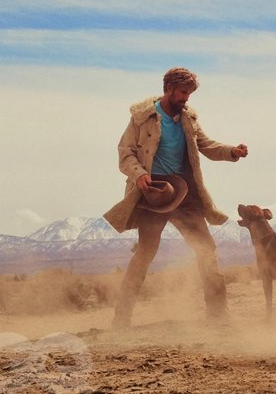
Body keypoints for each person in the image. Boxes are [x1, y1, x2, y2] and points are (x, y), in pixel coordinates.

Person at [104, 67, 248, 329]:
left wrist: (232, 152)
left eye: (189, 93)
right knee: (145, 253)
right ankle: (121, 320)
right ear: (169, 88)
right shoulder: (142, 118)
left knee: (206, 249)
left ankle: (218, 315)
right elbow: (125, 153)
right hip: (153, 193)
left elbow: (206, 145)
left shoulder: (188, 119)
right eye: (183, 92)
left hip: (185, 192)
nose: (186, 98)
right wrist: (139, 174)